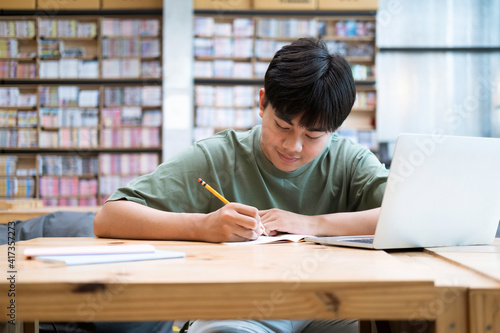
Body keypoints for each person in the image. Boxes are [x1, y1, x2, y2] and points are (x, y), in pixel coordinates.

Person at [93, 38, 389, 333]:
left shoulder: (349, 160)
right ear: (262, 103)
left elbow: (410, 215)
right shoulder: (217, 156)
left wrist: (312, 224)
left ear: (335, 129)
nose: (293, 146)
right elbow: (110, 217)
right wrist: (202, 227)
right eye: (283, 126)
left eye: (313, 136)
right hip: (237, 307)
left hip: (327, 305)